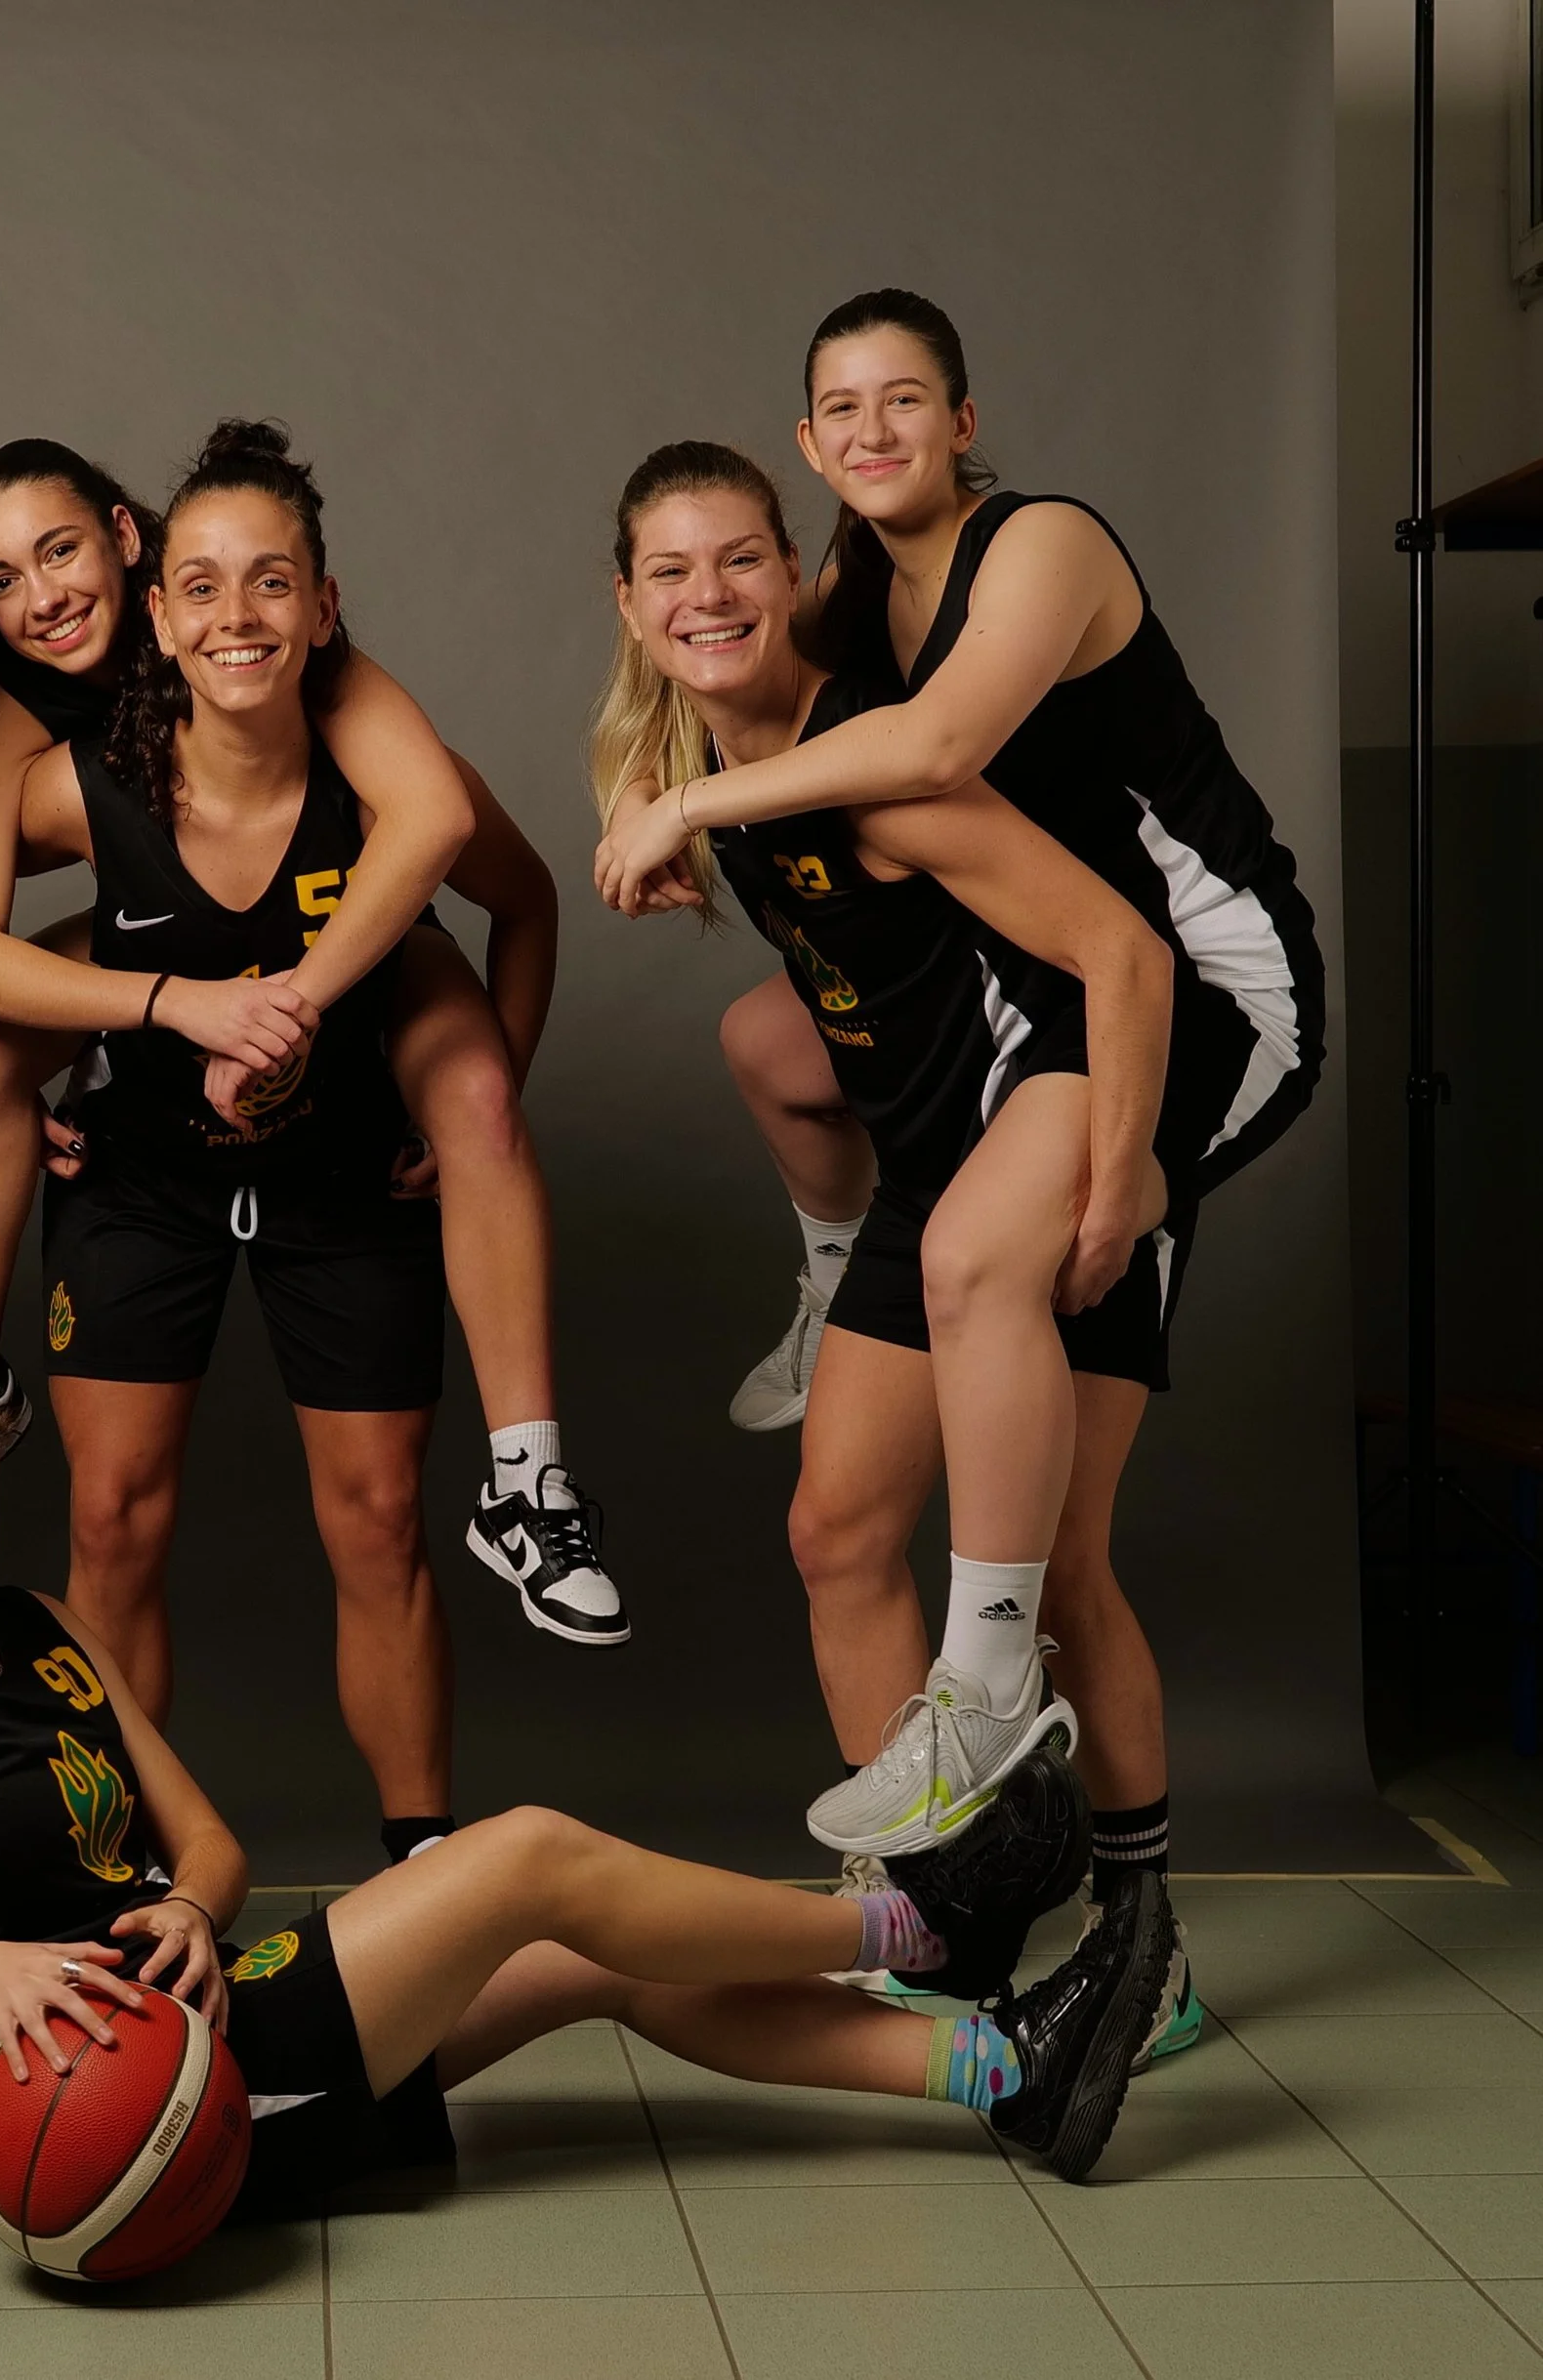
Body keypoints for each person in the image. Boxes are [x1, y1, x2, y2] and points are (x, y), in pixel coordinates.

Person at [0, 1338, 1166, 2204]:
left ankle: (1006, 2070)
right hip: (132, 2111)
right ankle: (918, 1921)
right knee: (530, 1853)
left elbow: (210, 1844)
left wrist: (185, 1907)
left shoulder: (38, 1624)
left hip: (213, 2010)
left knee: (595, 1951)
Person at [595, 296, 1322, 1967]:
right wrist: (667, 776)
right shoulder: (835, 603)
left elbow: (949, 767)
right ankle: (928, 1922)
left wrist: (1127, 1172)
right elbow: (725, 636)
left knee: (1061, 1558)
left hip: (1191, 995)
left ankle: (1121, 1908)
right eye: (840, 407)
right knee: (837, 1521)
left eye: (905, 398)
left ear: (965, 418)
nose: (873, 431)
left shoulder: (1034, 551)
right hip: (1015, 1061)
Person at [0, 439, 620, 1648]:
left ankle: (527, 1480)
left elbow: (439, 822)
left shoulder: (279, 635)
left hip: (333, 932)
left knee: (470, 1083)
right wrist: (161, 1008)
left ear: (126, 543)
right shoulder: (25, 719)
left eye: (59, 551)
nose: (41, 597)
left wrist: (407, 1075)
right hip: (164, 936)